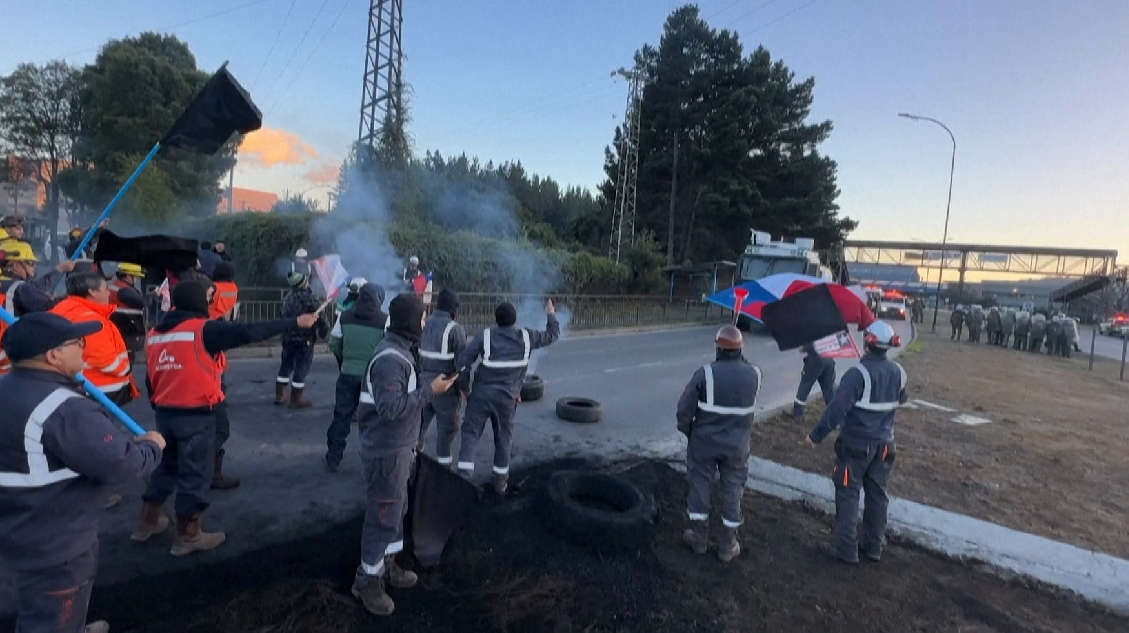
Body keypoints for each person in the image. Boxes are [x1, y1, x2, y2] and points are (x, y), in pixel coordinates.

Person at [0, 312, 165, 633]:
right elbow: (120, 463)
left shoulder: (7, 389)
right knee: (50, 614)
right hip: (57, 540)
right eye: (78, 343)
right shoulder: (62, 407)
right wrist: (151, 447)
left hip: (19, 528)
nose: (84, 350)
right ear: (53, 355)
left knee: (44, 602)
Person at [133, 280, 320, 556]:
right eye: (208, 297)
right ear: (196, 300)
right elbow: (249, 331)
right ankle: (188, 534)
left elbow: (152, 378)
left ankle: (147, 522)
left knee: (169, 464)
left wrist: (159, 403)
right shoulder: (204, 329)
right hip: (197, 413)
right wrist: (295, 322)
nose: (211, 302)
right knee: (195, 473)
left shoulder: (155, 334)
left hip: (165, 412)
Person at [352, 293, 458, 616]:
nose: (426, 323)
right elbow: (390, 408)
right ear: (411, 321)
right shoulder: (390, 360)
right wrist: (431, 391)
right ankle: (367, 582)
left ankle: (388, 565)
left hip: (399, 449)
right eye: (423, 318)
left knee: (396, 512)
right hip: (386, 453)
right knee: (383, 517)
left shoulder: (400, 352)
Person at [806, 321, 907, 565]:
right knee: (877, 495)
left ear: (868, 342)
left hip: (856, 446)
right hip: (885, 446)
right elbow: (901, 398)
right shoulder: (899, 372)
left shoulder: (857, 374)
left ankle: (846, 549)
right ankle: (874, 546)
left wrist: (816, 435)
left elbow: (837, 409)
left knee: (848, 494)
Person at [676, 325, 761, 563]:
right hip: (737, 447)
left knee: (700, 487)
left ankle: (699, 539)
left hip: (703, 444)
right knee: (733, 491)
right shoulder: (754, 373)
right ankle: (727, 545)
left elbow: (684, 411)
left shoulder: (705, 374)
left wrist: (690, 433)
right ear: (741, 349)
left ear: (718, 348)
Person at [455, 299, 560, 494]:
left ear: (496, 319)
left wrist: (464, 386)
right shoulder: (527, 337)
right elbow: (553, 335)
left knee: (470, 435)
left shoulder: (485, 336)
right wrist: (551, 313)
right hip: (507, 399)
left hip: (481, 396)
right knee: (503, 439)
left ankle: (463, 481)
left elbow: (463, 361)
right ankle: (500, 484)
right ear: (514, 320)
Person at [49, 271, 137, 407]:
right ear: (92, 292)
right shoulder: (89, 319)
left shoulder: (64, 310)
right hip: (101, 392)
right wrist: (125, 368)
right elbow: (104, 360)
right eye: (105, 289)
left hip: (80, 388)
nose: (108, 293)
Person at [326, 282, 388, 472]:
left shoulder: (344, 317)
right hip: (371, 380)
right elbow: (389, 347)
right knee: (376, 421)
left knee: (341, 417)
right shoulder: (385, 320)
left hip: (347, 374)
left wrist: (344, 360)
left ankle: (333, 459)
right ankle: (376, 462)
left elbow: (334, 343)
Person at [0, 240, 78, 375]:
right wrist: (75, 297)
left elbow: (35, 287)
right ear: (16, 266)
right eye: (30, 263)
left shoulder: (8, 286)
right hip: (8, 353)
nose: (34, 267)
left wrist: (59, 270)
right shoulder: (20, 287)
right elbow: (48, 306)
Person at [418, 289, 468, 465]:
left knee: (419, 428)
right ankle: (443, 470)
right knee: (445, 435)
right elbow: (462, 364)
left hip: (422, 386)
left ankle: (412, 467)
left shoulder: (423, 323)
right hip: (446, 390)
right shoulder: (455, 329)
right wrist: (465, 388)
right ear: (454, 308)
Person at [276, 272, 327, 408]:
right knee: (301, 367)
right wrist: (324, 331)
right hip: (305, 339)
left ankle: (280, 394)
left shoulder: (287, 298)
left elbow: (281, 316)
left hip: (287, 338)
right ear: (304, 283)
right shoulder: (309, 298)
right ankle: (296, 398)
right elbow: (320, 317)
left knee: (286, 365)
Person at [793, 342, 835, 419]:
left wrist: (804, 348)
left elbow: (805, 347)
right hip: (829, 359)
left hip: (815, 360)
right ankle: (835, 416)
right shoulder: (826, 331)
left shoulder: (812, 332)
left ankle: (798, 411)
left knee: (805, 385)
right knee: (829, 389)